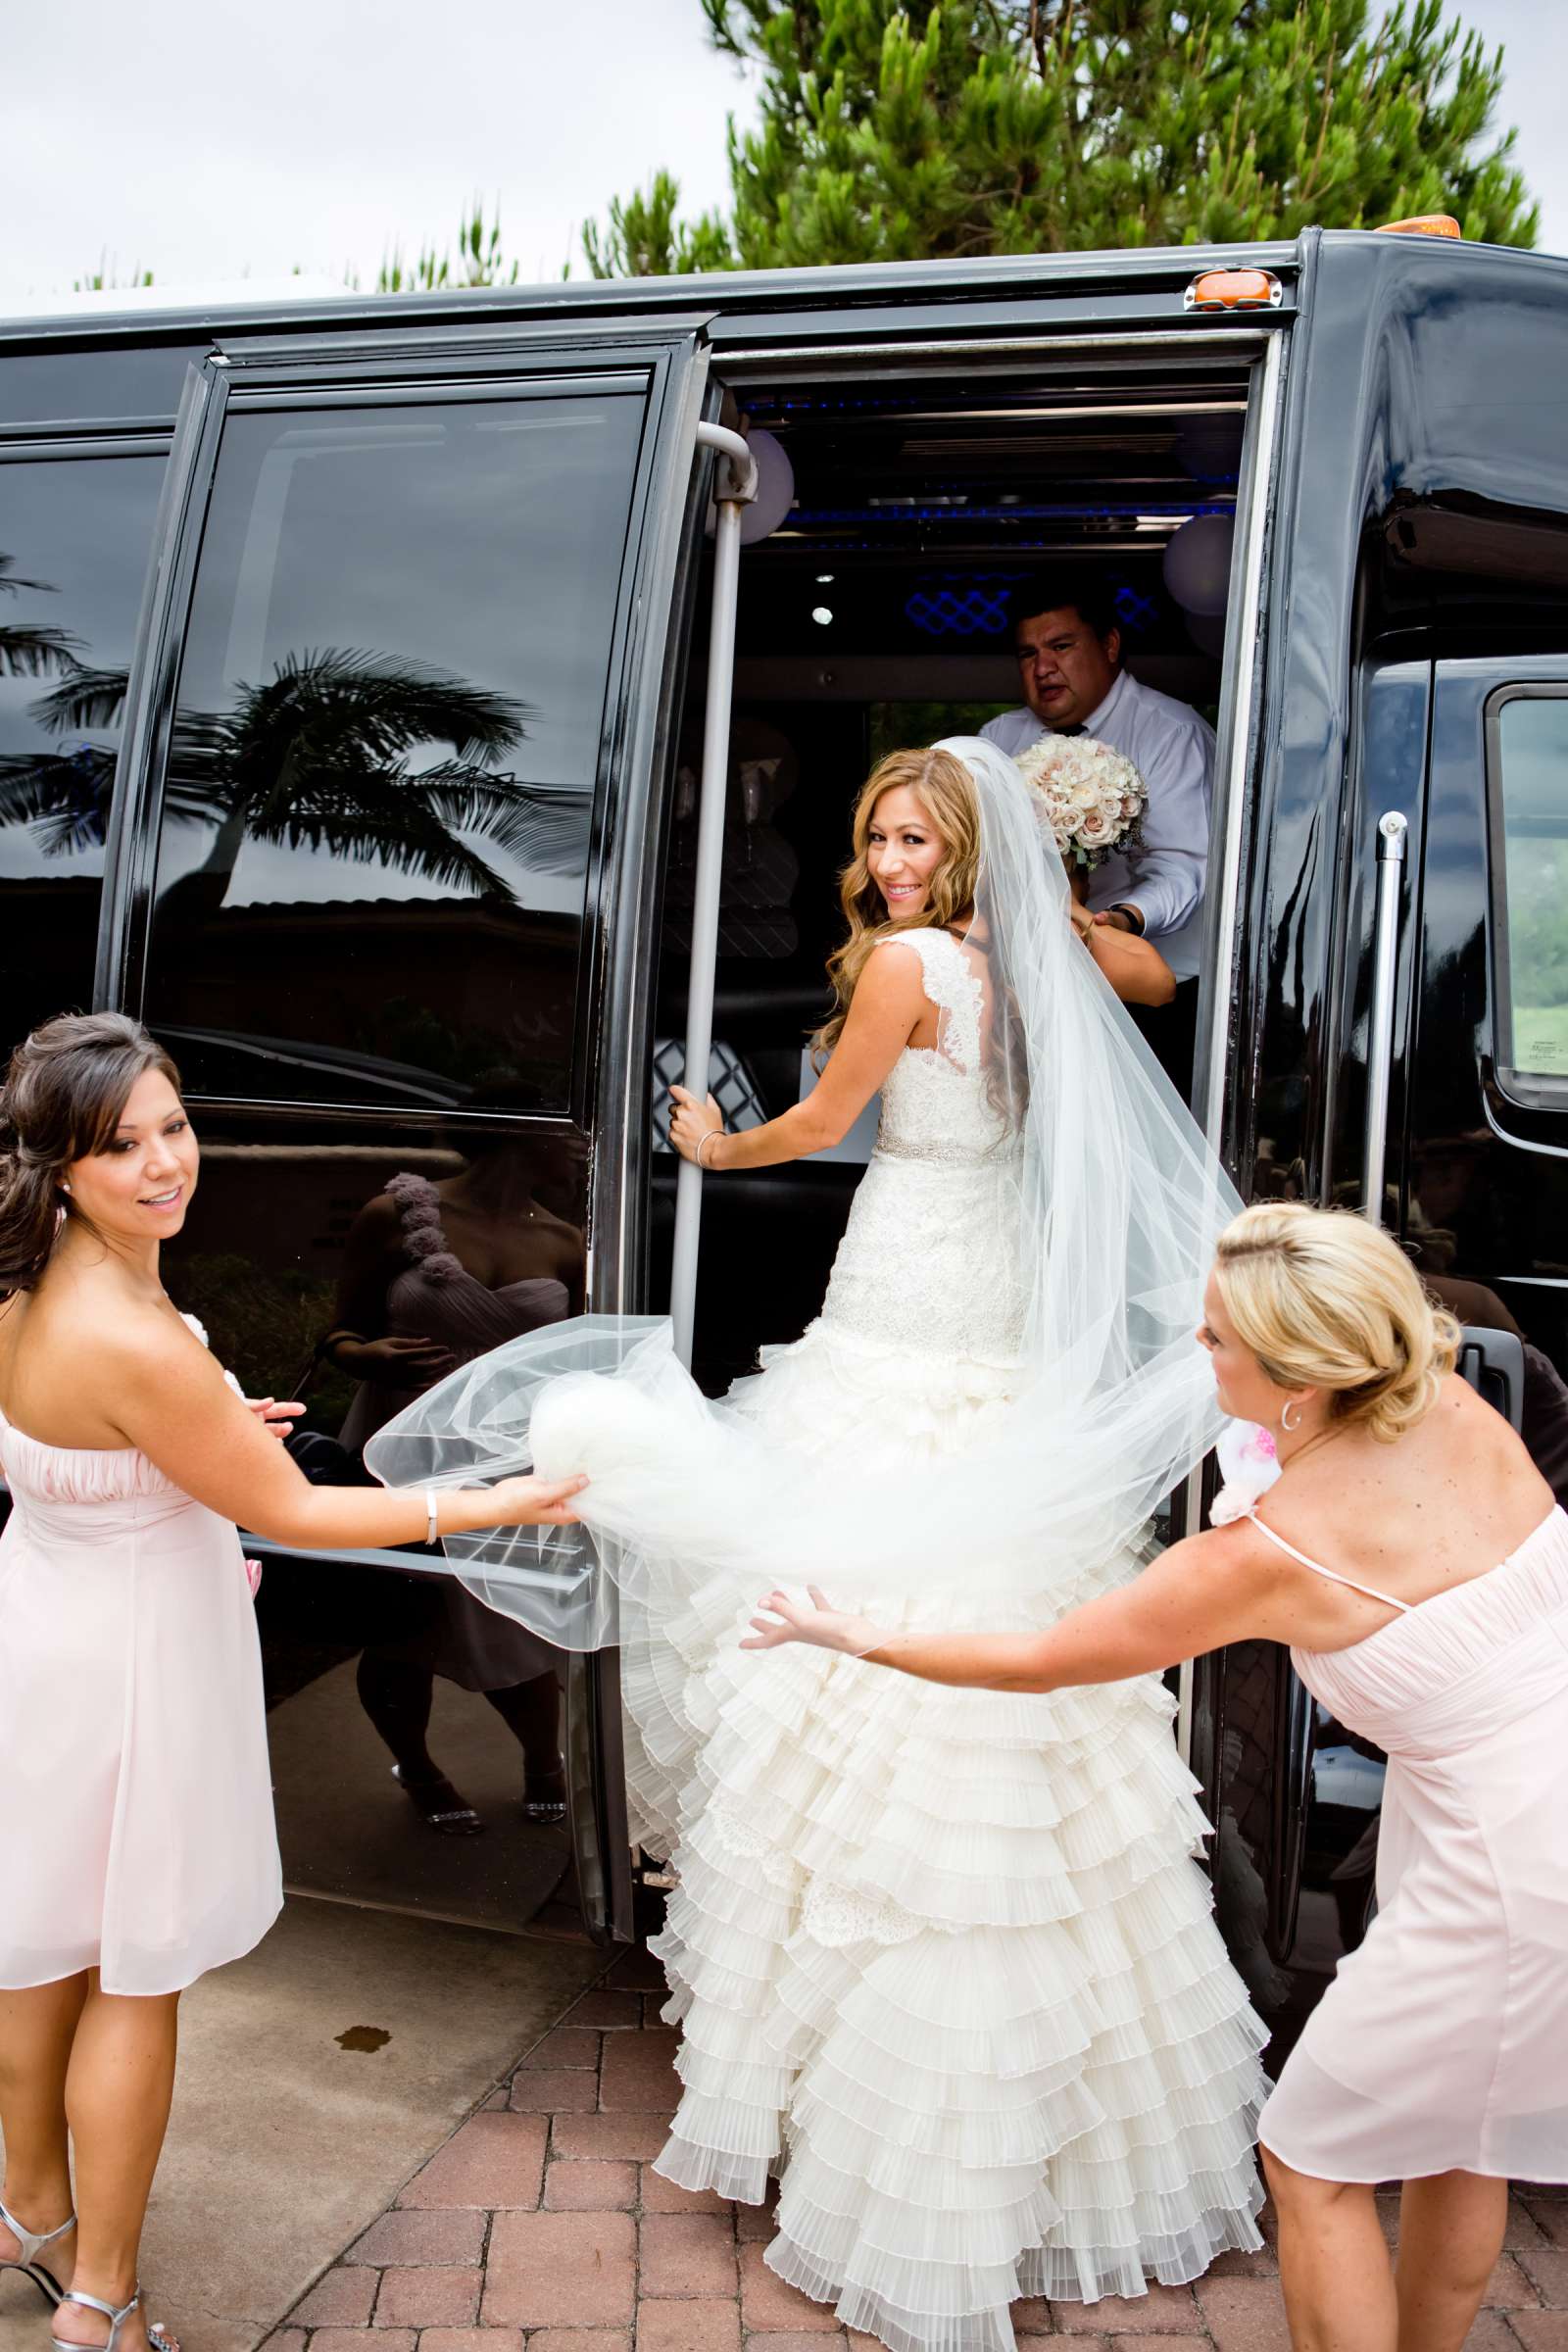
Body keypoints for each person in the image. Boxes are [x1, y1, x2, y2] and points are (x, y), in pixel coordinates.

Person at [368, 741, 1266, 2350]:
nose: (895, 859)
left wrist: (714, 1145)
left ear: (964, 847)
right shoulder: (1053, 963)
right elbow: (1138, 976)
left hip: (908, 1279)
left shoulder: (913, 964)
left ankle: (849, 2051)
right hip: (997, 1291)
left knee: (828, 1572)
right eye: (880, 835)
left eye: (918, 835)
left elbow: (827, 1126)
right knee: (1000, 1596)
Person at [748, 1200, 1568, 2352]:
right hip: (1534, 1796)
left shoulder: (1267, 1554)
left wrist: (856, 1634)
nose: (1196, 1352)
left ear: (1298, 1377)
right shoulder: (1450, 1401)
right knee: (1459, 2134)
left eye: (1216, 1337)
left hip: (1506, 1869)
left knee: (1310, 2156)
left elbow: (1041, 1660)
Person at [0, 1013, 585, 2352]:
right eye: (122, 1146)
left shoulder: (32, 1290)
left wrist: (194, 1436)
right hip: (134, 1676)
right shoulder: (135, 1336)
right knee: (133, 1983)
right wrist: (510, 1496)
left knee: (37, 1953)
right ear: (60, 1167)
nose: (166, 1165)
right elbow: (301, 1517)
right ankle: (100, 2300)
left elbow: (70, 1444)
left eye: (175, 1126)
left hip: (42, 1646)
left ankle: (26, 2213)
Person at [331, 1139, 585, 1833]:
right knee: (400, 1628)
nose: (583, 1153)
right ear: (524, 1144)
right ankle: (416, 1767)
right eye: (572, 1140)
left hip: (508, 1459)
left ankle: (544, 1761)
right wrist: (368, 1355)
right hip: (403, 1447)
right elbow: (337, 1335)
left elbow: (580, 1365)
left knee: (516, 1626)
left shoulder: (566, 1242)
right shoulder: (398, 1215)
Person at [981, 584, 1216, 1094]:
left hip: (1151, 999)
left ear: (1109, 646)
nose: (1042, 668)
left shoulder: (1171, 732)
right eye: (1028, 654)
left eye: (1061, 647)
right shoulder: (998, 741)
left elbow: (1182, 867)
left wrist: (1121, 921)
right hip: (1031, 992)